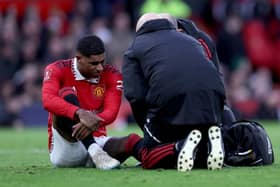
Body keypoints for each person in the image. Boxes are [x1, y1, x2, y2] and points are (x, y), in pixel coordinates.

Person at [122, 13, 226, 171]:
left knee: (148, 156)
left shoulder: (135, 47)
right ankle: (209, 143)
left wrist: (148, 128)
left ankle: (180, 146)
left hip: (169, 100)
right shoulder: (193, 40)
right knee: (197, 140)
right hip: (213, 100)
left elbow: (135, 95)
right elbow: (213, 74)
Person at [42, 35, 123, 169]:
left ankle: (159, 156)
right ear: (79, 59)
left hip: (100, 141)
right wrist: (79, 113)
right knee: (66, 93)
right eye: (94, 63)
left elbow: (111, 112)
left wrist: (89, 121)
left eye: (103, 61)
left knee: (132, 141)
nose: (100, 68)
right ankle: (93, 150)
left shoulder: (112, 74)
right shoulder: (57, 69)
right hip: (67, 144)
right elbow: (48, 100)